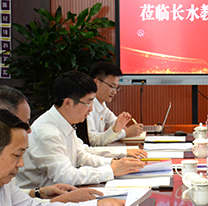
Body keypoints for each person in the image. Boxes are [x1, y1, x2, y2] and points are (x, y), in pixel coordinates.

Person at [14, 71, 146, 191]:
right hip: (42, 201)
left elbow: (82, 155)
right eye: (88, 103)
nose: (91, 109)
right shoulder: (47, 132)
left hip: (61, 195)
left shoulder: (64, 121)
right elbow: (65, 176)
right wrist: (110, 170)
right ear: (68, 103)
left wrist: (113, 162)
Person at [0, 86, 100, 203]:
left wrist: (37, 192)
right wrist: (59, 201)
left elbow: (13, 199)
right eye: (24, 124)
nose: (29, 130)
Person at [87, 62, 145, 145]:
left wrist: (122, 126)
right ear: (96, 83)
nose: (114, 92)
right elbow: (93, 141)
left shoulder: (101, 104)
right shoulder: (86, 106)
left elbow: (116, 123)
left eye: (116, 88)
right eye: (111, 86)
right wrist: (126, 133)